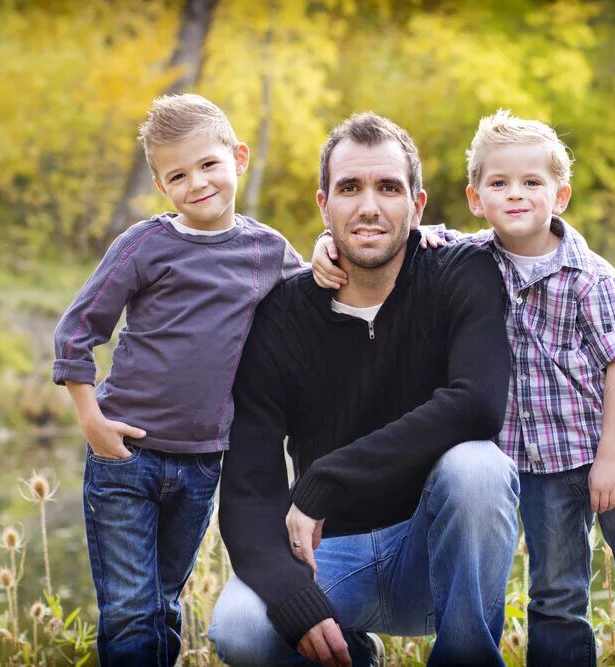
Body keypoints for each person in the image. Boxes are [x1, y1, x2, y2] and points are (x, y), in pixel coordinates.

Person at [314, 109, 615, 665]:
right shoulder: (474, 261)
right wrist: (323, 244)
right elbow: (398, 235)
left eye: (532, 183)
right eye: (499, 183)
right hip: (538, 465)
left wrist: (611, 457)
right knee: (556, 594)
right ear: (476, 198)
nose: (515, 195)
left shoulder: (590, 276)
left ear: (560, 196)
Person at [208, 112, 520, 667]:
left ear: (418, 206)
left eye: (389, 188)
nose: (369, 206)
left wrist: (327, 477)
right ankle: (353, 653)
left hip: (431, 555)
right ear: (324, 204)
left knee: (479, 466)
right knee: (239, 631)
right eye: (350, 188)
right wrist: (292, 595)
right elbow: (250, 485)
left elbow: (477, 405)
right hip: (328, 558)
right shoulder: (280, 314)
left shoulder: (461, 272)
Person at [51, 93, 308, 666]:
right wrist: (91, 420)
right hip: (125, 457)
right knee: (129, 611)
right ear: (162, 186)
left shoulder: (266, 250)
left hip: (201, 463)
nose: (197, 183)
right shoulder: (145, 245)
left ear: (238, 157)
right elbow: (77, 330)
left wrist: (418, 241)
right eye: (178, 175)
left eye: (208, 165)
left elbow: (317, 293)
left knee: (164, 603)